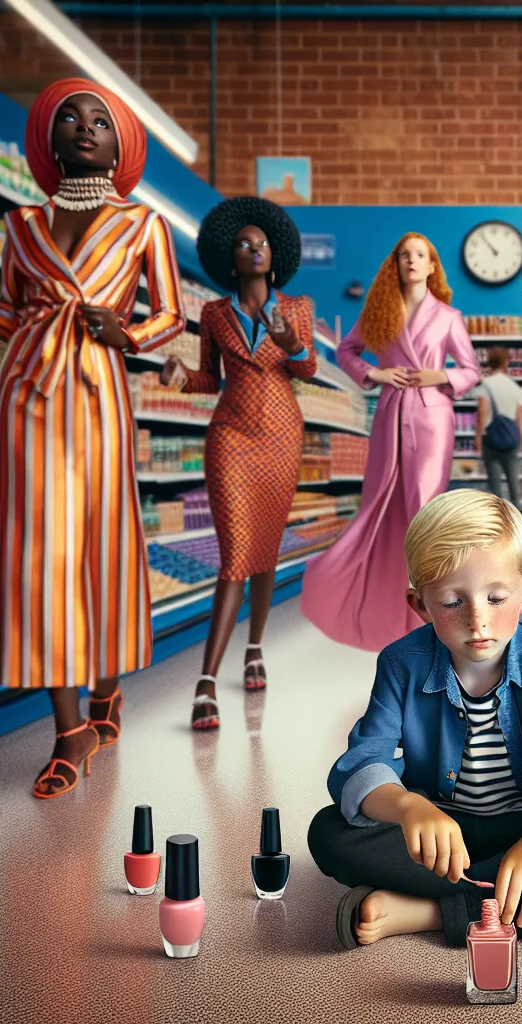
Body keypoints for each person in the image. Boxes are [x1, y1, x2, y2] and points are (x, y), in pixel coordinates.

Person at [307, 489, 522, 960]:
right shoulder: (400, 664)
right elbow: (364, 758)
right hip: (440, 833)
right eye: (450, 602)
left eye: (496, 597)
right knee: (327, 832)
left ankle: (422, 912)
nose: (478, 620)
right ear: (419, 604)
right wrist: (406, 807)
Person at [0, 79, 184, 797]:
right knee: (40, 557)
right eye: (70, 117)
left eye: (102, 120)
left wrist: (124, 331)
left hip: (99, 394)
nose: (86, 127)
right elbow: (6, 312)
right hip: (29, 394)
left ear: (121, 142)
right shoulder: (22, 226)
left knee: (101, 546)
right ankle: (69, 730)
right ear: (50, 137)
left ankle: (107, 689)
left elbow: (171, 320)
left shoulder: (143, 225)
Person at [160, 197, 316, 729]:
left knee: (266, 551)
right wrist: (182, 377)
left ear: (275, 259)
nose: (253, 249)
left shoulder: (296, 308)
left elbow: (309, 368)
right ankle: (206, 682)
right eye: (244, 244)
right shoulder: (213, 313)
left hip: (280, 435)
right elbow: (209, 377)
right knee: (235, 556)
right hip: (229, 435)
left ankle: (254, 647)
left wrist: (290, 342)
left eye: (262, 244)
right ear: (232, 259)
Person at [300, 233, 480, 652]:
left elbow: (470, 369)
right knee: (380, 503)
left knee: (423, 507)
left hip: (433, 417)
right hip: (389, 415)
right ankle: (381, 602)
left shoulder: (448, 316)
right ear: (395, 264)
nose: (412, 261)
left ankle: (431, 611)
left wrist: (440, 376)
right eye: (404, 255)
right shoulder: (380, 309)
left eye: (420, 255)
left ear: (433, 266)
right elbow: (347, 351)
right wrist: (376, 375)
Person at [476, 347, 522, 504]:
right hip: (511, 439)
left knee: (495, 485)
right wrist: (521, 437)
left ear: (489, 362)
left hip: (491, 439)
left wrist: (478, 438)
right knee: (513, 482)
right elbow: (519, 415)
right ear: (506, 363)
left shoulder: (486, 384)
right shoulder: (514, 386)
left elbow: (482, 413)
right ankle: (518, 517)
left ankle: (500, 521)